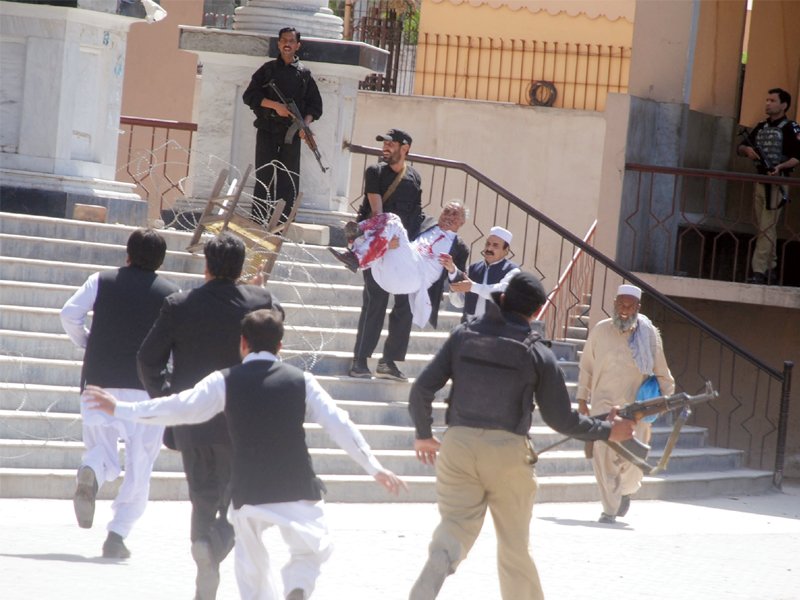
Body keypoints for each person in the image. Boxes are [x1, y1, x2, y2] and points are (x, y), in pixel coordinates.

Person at [86, 308, 406, 600]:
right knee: (313, 549)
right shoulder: (302, 381)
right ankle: (297, 586)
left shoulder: (224, 381)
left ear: (242, 343)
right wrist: (374, 466)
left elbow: (178, 408)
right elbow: (340, 424)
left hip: (248, 491)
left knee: (251, 572)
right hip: (297, 486)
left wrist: (122, 409)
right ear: (280, 347)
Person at [407, 272, 636, 600]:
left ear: (501, 298)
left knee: (454, 528)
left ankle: (439, 561)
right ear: (536, 312)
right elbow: (562, 419)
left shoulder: (463, 335)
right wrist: (608, 430)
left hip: (457, 445)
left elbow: (422, 389)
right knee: (514, 546)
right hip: (508, 454)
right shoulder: (537, 352)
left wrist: (423, 435)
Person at [137, 232, 282, 600]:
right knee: (242, 500)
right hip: (242, 422)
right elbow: (274, 337)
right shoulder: (259, 301)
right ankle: (216, 544)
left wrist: (169, 397)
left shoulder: (179, 304)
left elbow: (146, 359)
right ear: (241, 267)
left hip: (194, 419)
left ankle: (204, 549)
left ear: (206, 266)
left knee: (202, 496)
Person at [59, 228, 179, 559]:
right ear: (161, 261)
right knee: (141, 463)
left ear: (127, 254)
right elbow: (175, 345)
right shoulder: (171, 293)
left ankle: (92, 472)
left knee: (101, 450)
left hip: (98, 382)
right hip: (145, 391)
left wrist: (86, 342)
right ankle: (117, 535)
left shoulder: (102, 280)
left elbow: (69, 313)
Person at [577, 284, 675, 524]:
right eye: (621, 304)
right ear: (614, 303)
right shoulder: (600, 331)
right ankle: (609, 509)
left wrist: (665, 398)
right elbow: (586, 367)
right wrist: (581, 400)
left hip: (636, 410)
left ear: (637, 307)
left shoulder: (649, 335)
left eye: (630, 305)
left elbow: (662, 371)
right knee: (602, 455)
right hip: (602, 405)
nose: (624, 309)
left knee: (633, 462)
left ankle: (625, 491)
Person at [349, 128, 424, 380]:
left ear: (405, 148)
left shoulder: (414, 177)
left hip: (401, 247)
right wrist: (385, 239)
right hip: (378, 245)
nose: (386, 147)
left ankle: (389, 361)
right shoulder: (375, 172)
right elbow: (377, 211)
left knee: (405, 305)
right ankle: (360, 360)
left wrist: (413, 246)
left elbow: (416, 215)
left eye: (391, 144)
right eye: (384, 143)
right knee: (375, 301)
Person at [329, 201, 469, 330]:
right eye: (446, 212)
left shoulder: (460, 247)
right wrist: (388, 245)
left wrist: (452, 269)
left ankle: (358, 246)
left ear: (462, 222)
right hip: (387, 270)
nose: (448, 216)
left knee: (394, 222)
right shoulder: (426, 224)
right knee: (390, 220)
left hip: (413, 278)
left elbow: (458, 300)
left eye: (454, 214)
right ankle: (357, 237)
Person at [242, 26, 323, 225]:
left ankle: (283, 222)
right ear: (279, 44)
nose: (287, 44)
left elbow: (315, 106)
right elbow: (249, 96)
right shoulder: (267, 70)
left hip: (291, 133)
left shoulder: (304, 74)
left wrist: (304, 125)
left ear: (297, 45)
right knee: (265, 174)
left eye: (291, 41)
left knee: (288, 177)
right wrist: (275, 106)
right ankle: (259, 219)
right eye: (284, 40)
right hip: (267, 129)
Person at [736, 87, 800, 285]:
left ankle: (759, 271)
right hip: (761, 180)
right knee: (763, 226)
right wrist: (748, 150)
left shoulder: (791, 128)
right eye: (767, 100)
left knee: (766, 227)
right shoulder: (762, 127)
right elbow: (741, 147)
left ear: (784, 105)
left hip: (778, 182)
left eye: (772, 100)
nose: (768, 103)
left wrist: (780, 167)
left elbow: (797, 157)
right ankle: (771, 267)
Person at [448, 226, 520, 321]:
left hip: (496, 330)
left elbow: (500, 293)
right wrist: (453, 279)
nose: (489, 248)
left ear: (506, 251)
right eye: (488, 244)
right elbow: (458, 303)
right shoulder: (472, 269)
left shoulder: (513, 271)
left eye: (495, 245)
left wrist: (473, 287)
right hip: (469, 328)